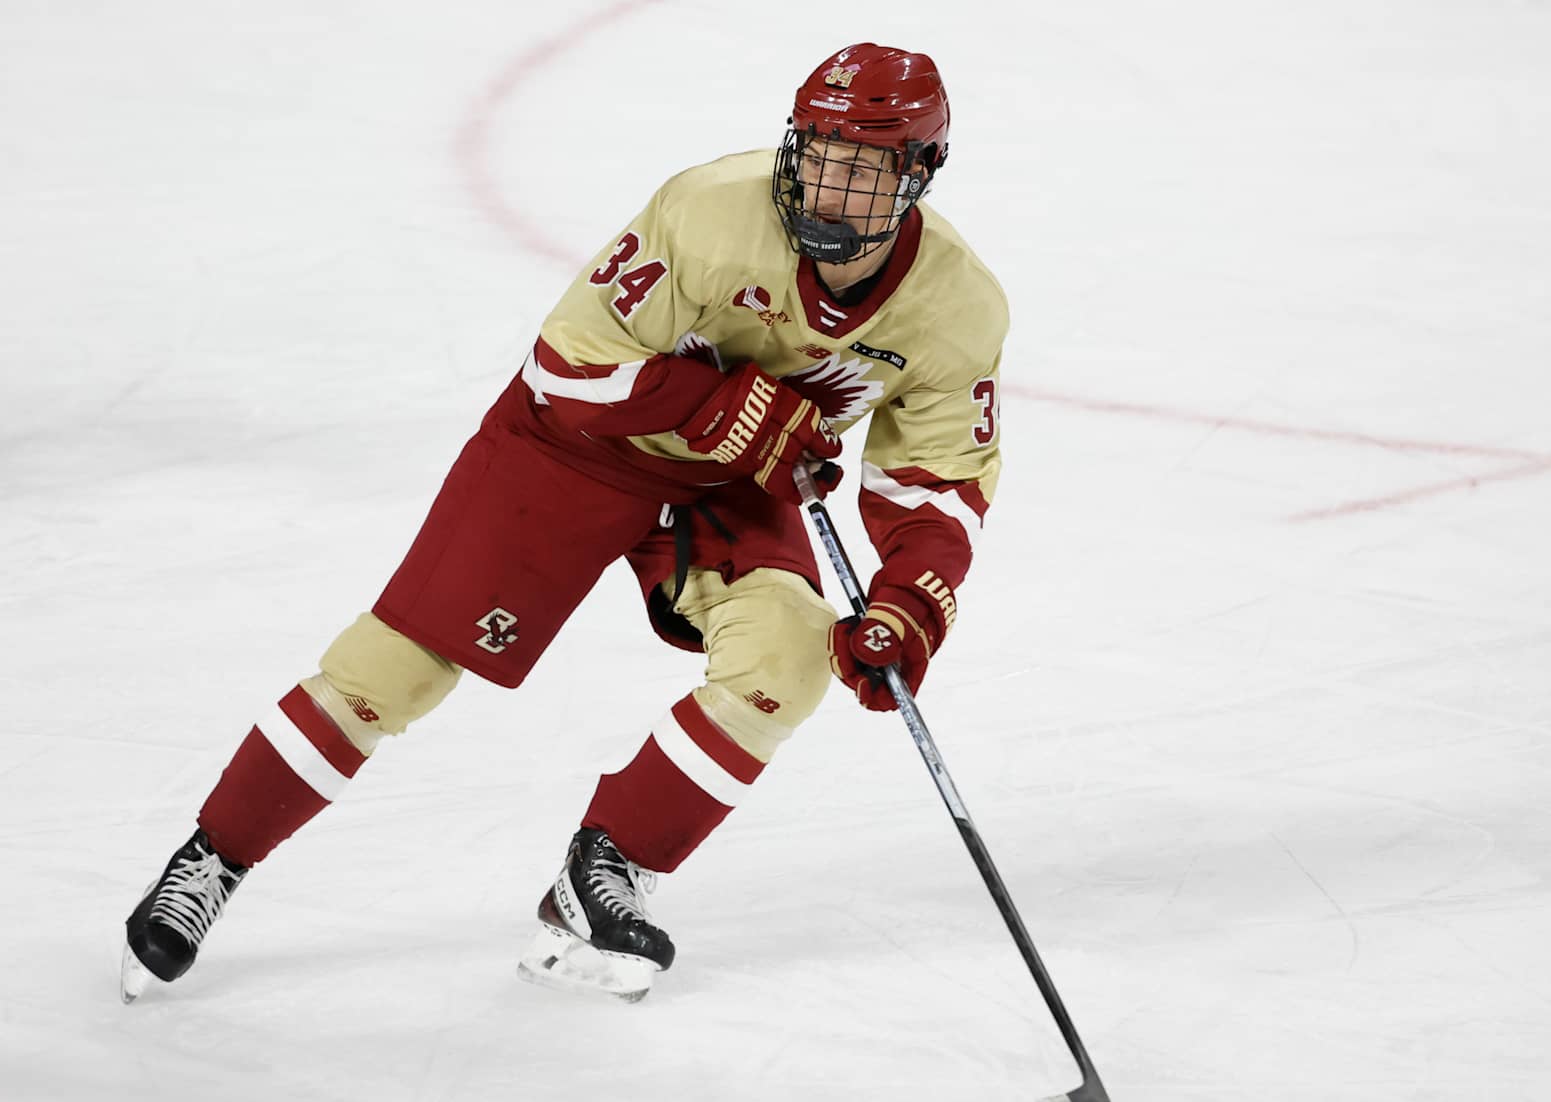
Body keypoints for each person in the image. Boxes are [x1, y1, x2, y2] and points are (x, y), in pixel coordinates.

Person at [120, 41, 1007, 1004]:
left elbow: (938, 483)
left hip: (732, 487)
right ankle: (214, 858)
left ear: (919, 174)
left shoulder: (955, 306)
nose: (829, 186)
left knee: (788, 660)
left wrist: (913, 596)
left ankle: (603, 876)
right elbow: (569, 365)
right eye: (819, 153)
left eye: (864, 168)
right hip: (572, 449)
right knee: (397, 671)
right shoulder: (710, 212)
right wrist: (732, 410)